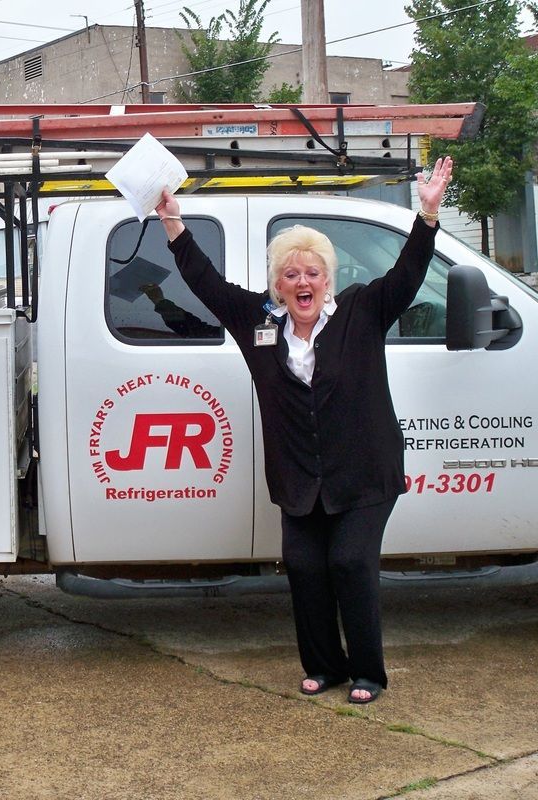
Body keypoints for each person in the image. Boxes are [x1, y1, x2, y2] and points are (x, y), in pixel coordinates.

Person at [155, 156, 453, 704]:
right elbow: (206, 283)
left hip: (364, 472)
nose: (302, 281)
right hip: (299, 478)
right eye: (290, 274)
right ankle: (324, 665)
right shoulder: (258, 322)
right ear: (278, 283)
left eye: (312, 272)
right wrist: (173, 222)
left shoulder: (363, 311)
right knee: (304, 566)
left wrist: (427, 215)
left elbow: (409, 273)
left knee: (350, 561)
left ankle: (368, 672)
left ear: (328, 279)